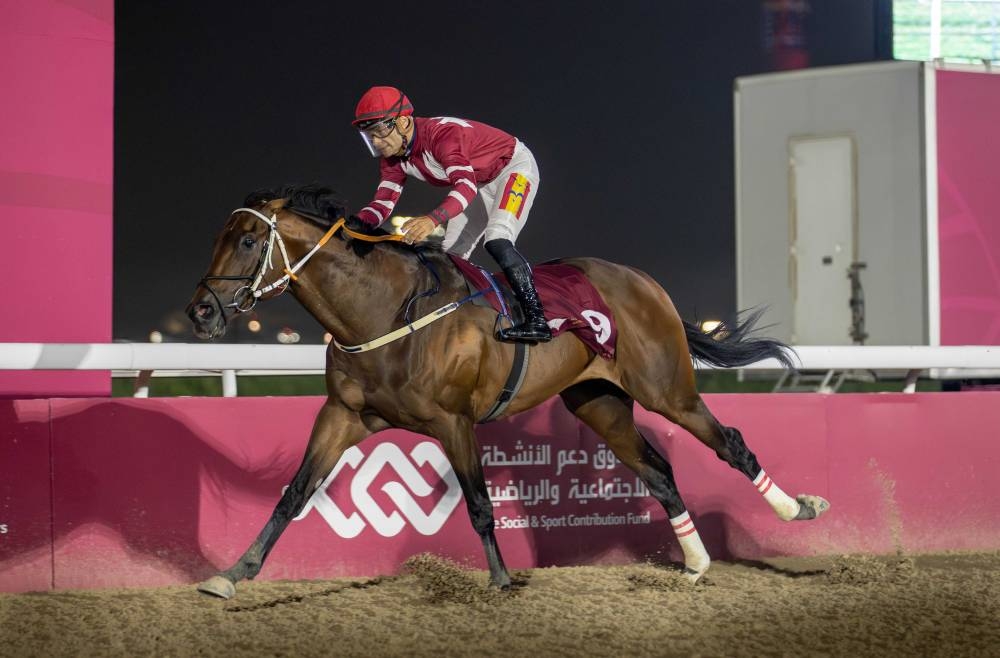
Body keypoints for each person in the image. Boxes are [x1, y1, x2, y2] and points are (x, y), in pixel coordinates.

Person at [351, 85, 552, 344]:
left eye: (379, 132)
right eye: (370, 136)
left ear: (402, 122)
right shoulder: (393, 157)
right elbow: (382, 203)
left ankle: (537, 319)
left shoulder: (442, 136)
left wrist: (432, 219)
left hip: (513, 168)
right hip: (478, 181)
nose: (377, 142)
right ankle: (461, 321)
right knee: (450, 259)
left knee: (497, 239)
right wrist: (351, 225)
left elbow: (465, 187)